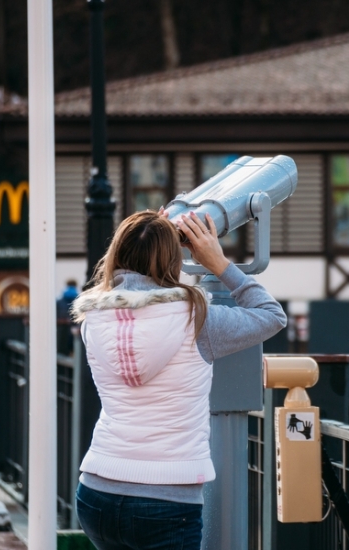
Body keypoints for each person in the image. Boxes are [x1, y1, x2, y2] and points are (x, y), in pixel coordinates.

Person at [72, 210, 286, 550]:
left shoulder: (92, 320)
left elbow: (136, 301)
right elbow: (272, 316)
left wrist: (148, 231)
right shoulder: (197, 319)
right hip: (167, 501)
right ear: (174, 259)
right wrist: (218, 263)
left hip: (97, 492)